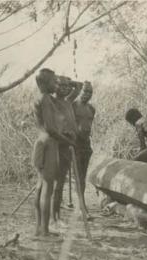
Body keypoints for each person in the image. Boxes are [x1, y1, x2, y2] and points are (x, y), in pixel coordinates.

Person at [32, 68, 61, 236]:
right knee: (47, 188)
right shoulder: (45, 100)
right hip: (49, 143)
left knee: (40, 185)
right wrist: (66, 140)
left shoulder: (42, 98)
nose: (56, 85)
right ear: (44, 83)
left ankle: (39, 228)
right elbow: (50, 128)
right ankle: (44, 230)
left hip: (41, 141)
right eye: (54, 82)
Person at [51, 75, 81, 222]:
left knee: (61, 182)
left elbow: (79, 86)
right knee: (55, 183)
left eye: (66, 86)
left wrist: (70, 82)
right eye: (61, 86)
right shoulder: (52, 102)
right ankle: (53, 217)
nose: (65, 89)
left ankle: (56, 215)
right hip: (57, 145)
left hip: (68, 146)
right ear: (54, 86)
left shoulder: (68, 101)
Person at [73, 81, 95, 201]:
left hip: (86, 143)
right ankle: (80, 205)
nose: (88, 94)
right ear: (80, 90)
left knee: (83, 175)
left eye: (90, 92)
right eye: (85, 91)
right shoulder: (72, 106)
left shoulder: (91, 108)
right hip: (74, 142)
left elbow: (89, 126)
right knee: (78, 175)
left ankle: (80, 203)